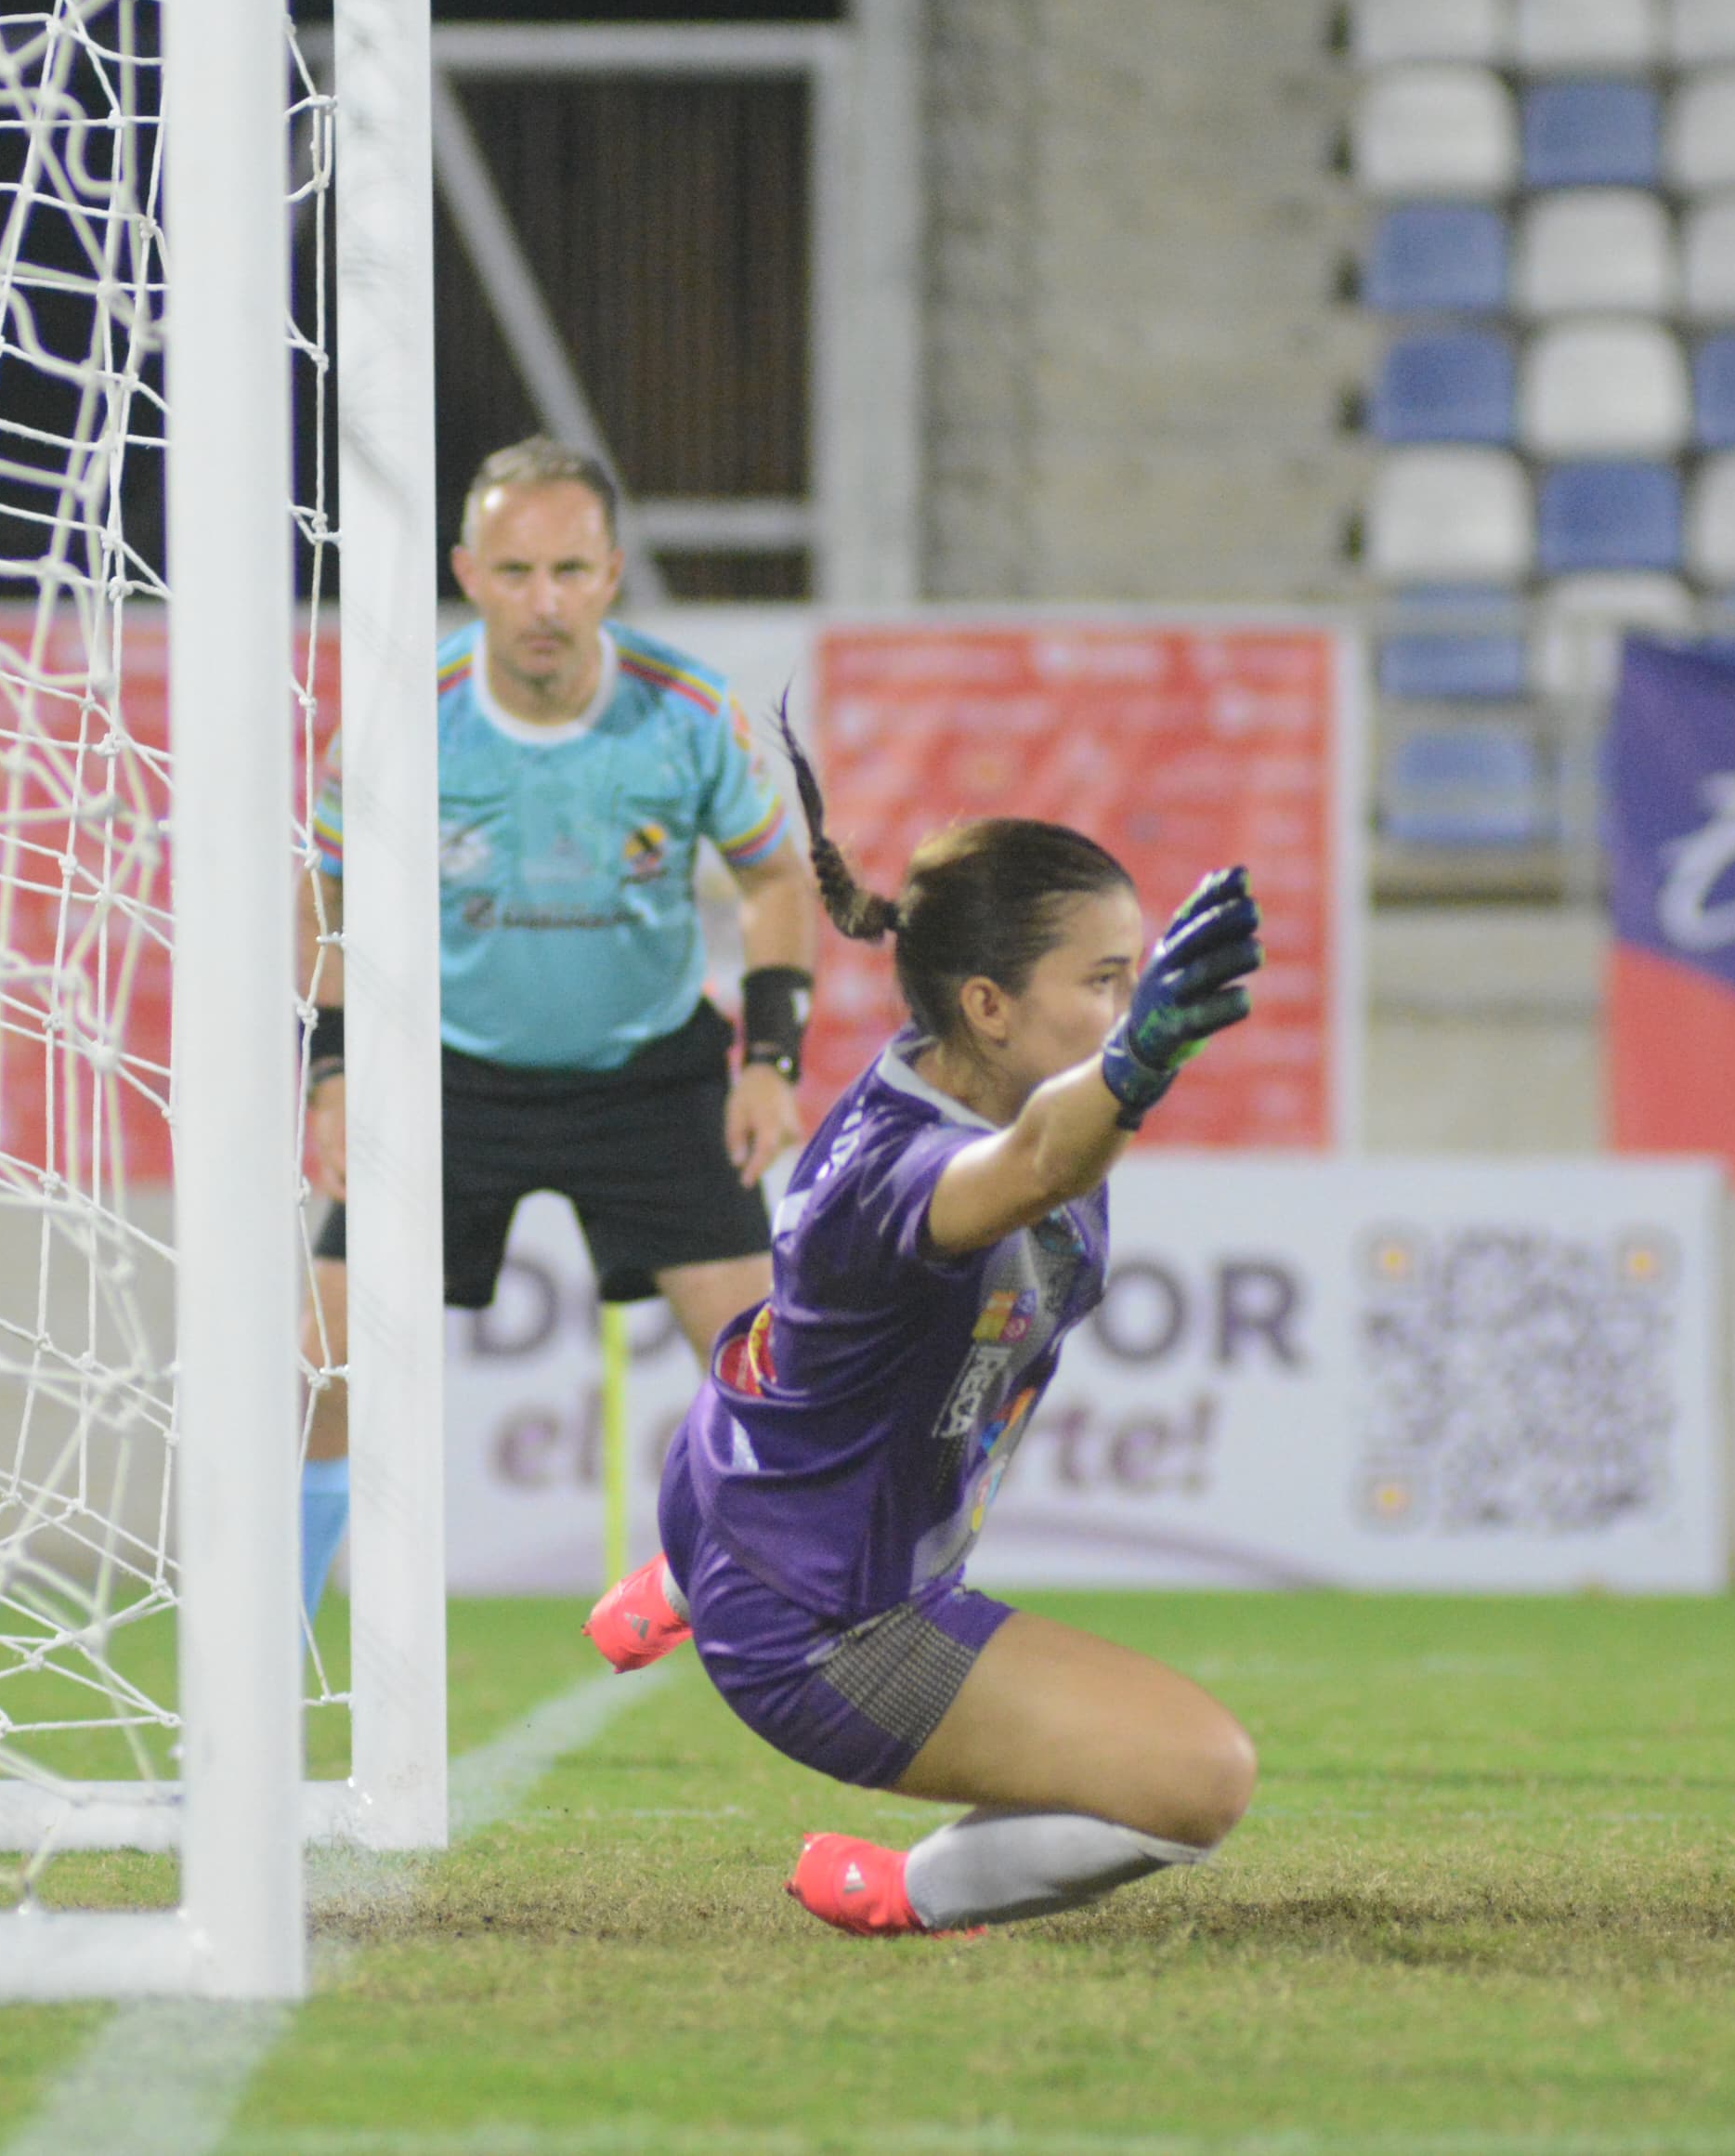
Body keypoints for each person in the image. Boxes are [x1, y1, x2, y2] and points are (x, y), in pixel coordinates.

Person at [581, 720, 1265, 1939]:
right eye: (1105, 981)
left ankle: (684, 1574)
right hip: (828, 1627)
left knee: (839, 1382)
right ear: (990, 1003)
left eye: (1137, 972)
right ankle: (903, 1889)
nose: (1133, 1001)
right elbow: (1042, 1161)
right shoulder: (919, 1169)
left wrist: (1120, 1060)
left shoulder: (975, 1080)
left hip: (746, 1480)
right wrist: (1143, 1061)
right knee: (1199, 1779)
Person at [297, 438, 821, 1614]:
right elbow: (321, 889)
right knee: (318, 1362)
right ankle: (274, 1646)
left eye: (570, 571)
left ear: (611, 575)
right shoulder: (402, 716)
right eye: (516, 570)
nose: (544, 602)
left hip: (648, 1074)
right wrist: (329, 1069)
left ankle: (800, 1630)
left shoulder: (684, 712)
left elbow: (776, 882)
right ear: (466, 572)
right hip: (451, 1079)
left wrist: (769, 1059)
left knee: (767, 1373)